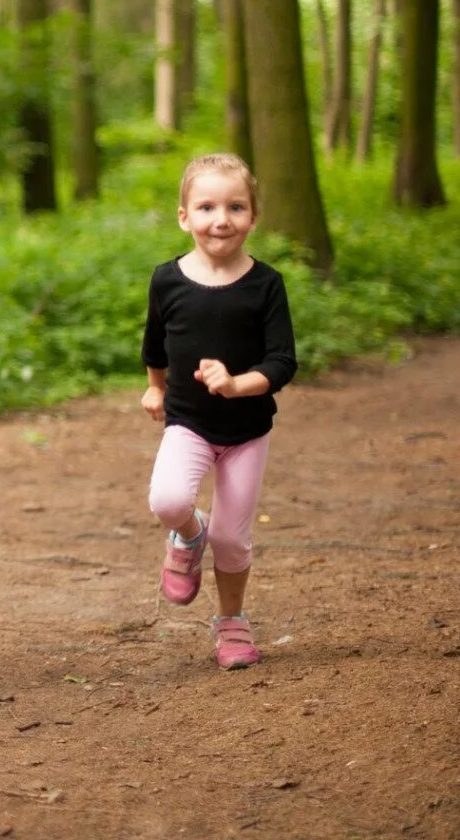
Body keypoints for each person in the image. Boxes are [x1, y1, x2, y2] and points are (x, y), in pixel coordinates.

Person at [140, 153, 297, 670]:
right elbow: (155, 343)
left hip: (247, 430)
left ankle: (231, 622)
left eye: (235, 206)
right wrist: (156, 388)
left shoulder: (266, 285)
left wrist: (235, 385)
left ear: (253, 216)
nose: (220, 218)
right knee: (167, 500)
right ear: (184, 216)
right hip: (188, 421)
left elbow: (282, 362)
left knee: (233, 537)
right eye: (206, 207)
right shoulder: (168, 280)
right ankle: (188, 534)